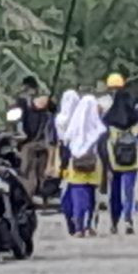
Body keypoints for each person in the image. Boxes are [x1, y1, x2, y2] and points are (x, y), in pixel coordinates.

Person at [61, 94, 107, 237]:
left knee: (77, 198)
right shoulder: (100, 129)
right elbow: (103, 151)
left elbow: (66, 145)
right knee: (92, 198)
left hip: (75, 167)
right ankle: (89, 226)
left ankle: (78, 228)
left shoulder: (73, 128)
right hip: (94, 167)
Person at [102, 89, 138, 235]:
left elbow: (102, 141)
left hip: (114, 160)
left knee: (114, 192)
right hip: (132, 160)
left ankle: (114, 221)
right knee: (129, 191)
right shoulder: (136, 118)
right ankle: (128, 219)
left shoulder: (108, 118)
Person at [15, 76, 53, 199]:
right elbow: (19, 121)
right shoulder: (22, 102)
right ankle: (31, 194)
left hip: (40, 141)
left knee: (33, 169)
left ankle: (39, 194)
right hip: (31, 141)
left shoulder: (44, 103)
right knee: (29, 170)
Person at [54, 89, 80, 235]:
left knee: (66, 191)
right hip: (80, 157)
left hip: (64, 156)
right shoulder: (81, 117)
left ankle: (70, 221)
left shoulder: (59, 119)